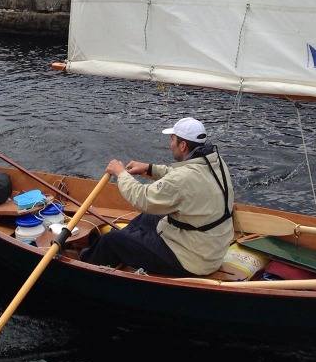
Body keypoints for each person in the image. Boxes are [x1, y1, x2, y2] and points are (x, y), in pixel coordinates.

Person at [82, 117, 234, 277]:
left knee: (111, 241)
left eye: (172, 139)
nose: (170, 143)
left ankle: (85, 266)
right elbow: (182, 178)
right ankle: (125, 243)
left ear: (183, 145)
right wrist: (150, 169)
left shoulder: (182, 178)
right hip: (209, 247)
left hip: (193, 259)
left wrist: (120, 173)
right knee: (147, 218)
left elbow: (143, 198)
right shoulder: (215, 161)